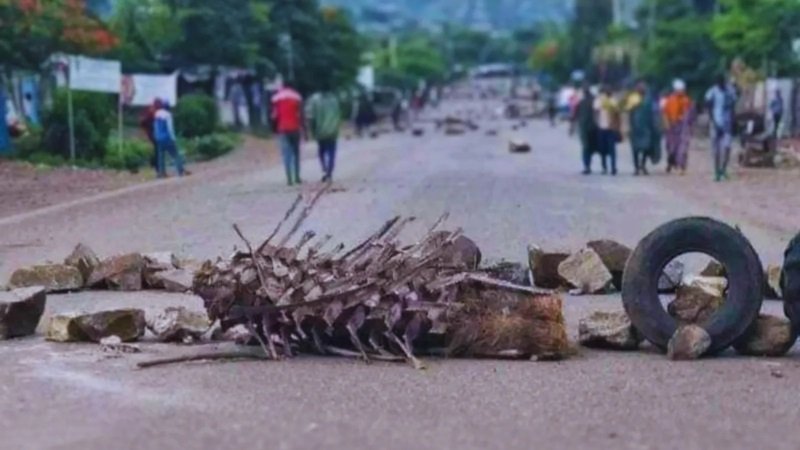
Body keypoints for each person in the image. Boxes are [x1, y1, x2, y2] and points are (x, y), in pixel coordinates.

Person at [705, 75, 737, 182]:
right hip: (716, 123)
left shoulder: (730, 91)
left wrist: (733, 121)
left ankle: (723, 169)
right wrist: (713, 122)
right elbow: (709, 107)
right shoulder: (712, 92)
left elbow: (733, 106)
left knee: (727, 147)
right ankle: (717, 172)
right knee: (716, 150)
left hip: (727, 123)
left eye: (722, 83)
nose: (721, 85)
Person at [306, 88, 342, 182]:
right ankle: (329, 172)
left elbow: (311, 117)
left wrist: (312, 131)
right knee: (331, 152)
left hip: (320, 131)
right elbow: (338, 114)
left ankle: (324, 168)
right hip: (332, 130)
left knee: (322, 151)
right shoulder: (334, 99)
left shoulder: (314, 99)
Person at [626, 80, 661, 176]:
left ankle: (643, 165)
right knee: (635, 149)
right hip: (635, 127)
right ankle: (636, 167)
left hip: (647, 127)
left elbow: (654, 112)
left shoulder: (649, 99)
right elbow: (629, 112)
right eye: (639, 87)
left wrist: (656, 125)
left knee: (646, 147)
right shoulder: (632, 98)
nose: (641, 88)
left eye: (643, 87)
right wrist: (629, 126)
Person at [272, 82, 303, 186]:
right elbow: (300, 115)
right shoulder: (297, 97)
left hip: (282, 129)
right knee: (296, 153)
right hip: (295, 128)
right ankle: (297, 177)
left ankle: (289, 179)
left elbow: (274, 116)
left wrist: (274, 129)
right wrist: (304, 129)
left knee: (286, 154)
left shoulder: (276, 98)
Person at [663, 79, 693, 174]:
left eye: (682, 89)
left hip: (683, 127)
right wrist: (667, 124)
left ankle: (682, 166)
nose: (681, 91)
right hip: (672, 127)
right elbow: (665, 114)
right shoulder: (669, 100)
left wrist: (688, 124)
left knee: (683, 147)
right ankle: (671, 162)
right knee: (671, 148)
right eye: (679, 89)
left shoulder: (686, 100)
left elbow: (689, 114)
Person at [570, 84, 599, 174]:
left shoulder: (581, 101)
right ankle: (589, 166)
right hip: (592, 127)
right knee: (590, 147)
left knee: (586, 147)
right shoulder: (593, 100)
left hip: (586, 127)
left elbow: (574, 115)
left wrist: (572, 127)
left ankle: (587, 166)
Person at [153, 101, 185, 178]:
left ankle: (162, 173)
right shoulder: (168, 115)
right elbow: (170, 128)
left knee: (161, 156)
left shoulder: (156, 114)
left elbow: (155, 127)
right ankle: (180, 170)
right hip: (167, 137)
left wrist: (156, 136)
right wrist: (173, 138)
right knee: (175, 154)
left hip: (158, 138)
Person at [594, 86, 620, 175]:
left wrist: (617, 126)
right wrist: (597, 123)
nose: (609, 91)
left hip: (611, 129)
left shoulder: (614, 101)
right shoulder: (600, 101)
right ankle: (604, 167)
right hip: (602, 127)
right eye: (607, 90)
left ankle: (613, 167)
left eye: (610, 90)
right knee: (602, 149)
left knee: (612, 149)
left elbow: (617, 114)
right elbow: (596, 112)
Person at [140, 98, 162, 169]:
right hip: (152, 131)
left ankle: (154, 163)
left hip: (153, 131)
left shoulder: (154, 111)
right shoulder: (151, 111)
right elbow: (143, 121)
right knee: (157, 147)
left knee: (156, 147)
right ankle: (155, 163)